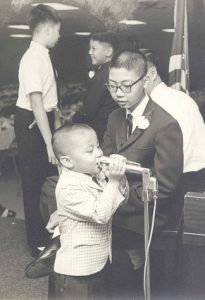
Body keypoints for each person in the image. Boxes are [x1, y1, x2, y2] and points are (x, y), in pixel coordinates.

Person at [101, 50, 184, 296]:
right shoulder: (115, 117)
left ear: (145, 81)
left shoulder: (165, 124)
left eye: (126, 86)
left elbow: (165, 187)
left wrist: (115, 198)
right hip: (117, 203)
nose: (118, 93)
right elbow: (104, 162)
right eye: (112, 86)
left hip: (144, 214)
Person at [51, 123, 129, 299]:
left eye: (98, 146)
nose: (99, 153)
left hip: (97, 263)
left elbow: (117, 203)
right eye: (90, 151)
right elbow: (100, 214)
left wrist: (120, 178)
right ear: (67, 161)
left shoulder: (94, 175)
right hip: (75, 272)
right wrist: (113, 182)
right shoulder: (67, 187)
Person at [14, 4, 61, 257]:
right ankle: (37, 242)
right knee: (33, 183)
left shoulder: (43, 54)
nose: (59, 36)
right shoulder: (32, 58)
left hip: (41, 118)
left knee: (46, 180)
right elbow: (35, 103)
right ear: (47, 28)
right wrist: (48, 142)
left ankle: (48, 232)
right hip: (32, 121)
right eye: (57, 30)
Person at [143, 50, 205, 194]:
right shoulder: (183, 97)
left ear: (152, 73)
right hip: (199, 175)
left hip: (177, 180)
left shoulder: (156, 105)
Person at [72, 31, 118, 143]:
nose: (89, 52)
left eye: (94, 48)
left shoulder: (102, 76)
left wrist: (72, 119)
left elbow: (88, 111)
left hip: (99, 132)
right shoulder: (112, 70)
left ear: (108, 51)